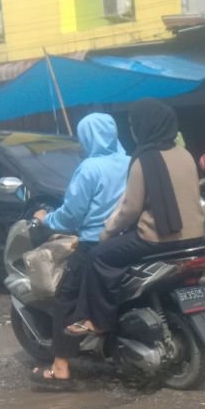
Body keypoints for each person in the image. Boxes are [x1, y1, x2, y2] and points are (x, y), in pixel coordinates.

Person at [65, 99, 205, 338]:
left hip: (158, 238)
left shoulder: (144, 159)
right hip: (196, 238)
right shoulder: (185, 155)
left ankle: (98, 321)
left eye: (134, 123)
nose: (132, 129)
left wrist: (106, 234)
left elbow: (129, 209)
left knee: (98, 257)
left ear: (145, 125)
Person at [31, 113, 128, 389]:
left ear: (87, 137)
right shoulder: (130, 162)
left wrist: (46, 220)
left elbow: (71, 215)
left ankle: (60, 367)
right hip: (128, 242)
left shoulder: (89, 168)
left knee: (65, 298)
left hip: (94, 243)